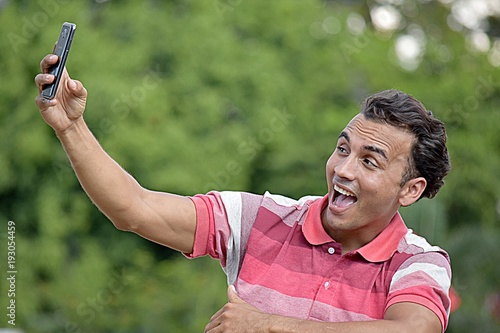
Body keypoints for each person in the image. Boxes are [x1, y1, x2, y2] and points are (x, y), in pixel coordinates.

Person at [35, 53, 452, 333]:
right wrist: (70, 127)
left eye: (369, 161)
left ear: (410, 190)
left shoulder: (418, 264)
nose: (343, 169)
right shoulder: (259, 218)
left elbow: (410, 330)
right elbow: (135, 209)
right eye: (343, 149)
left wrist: (268, 323)